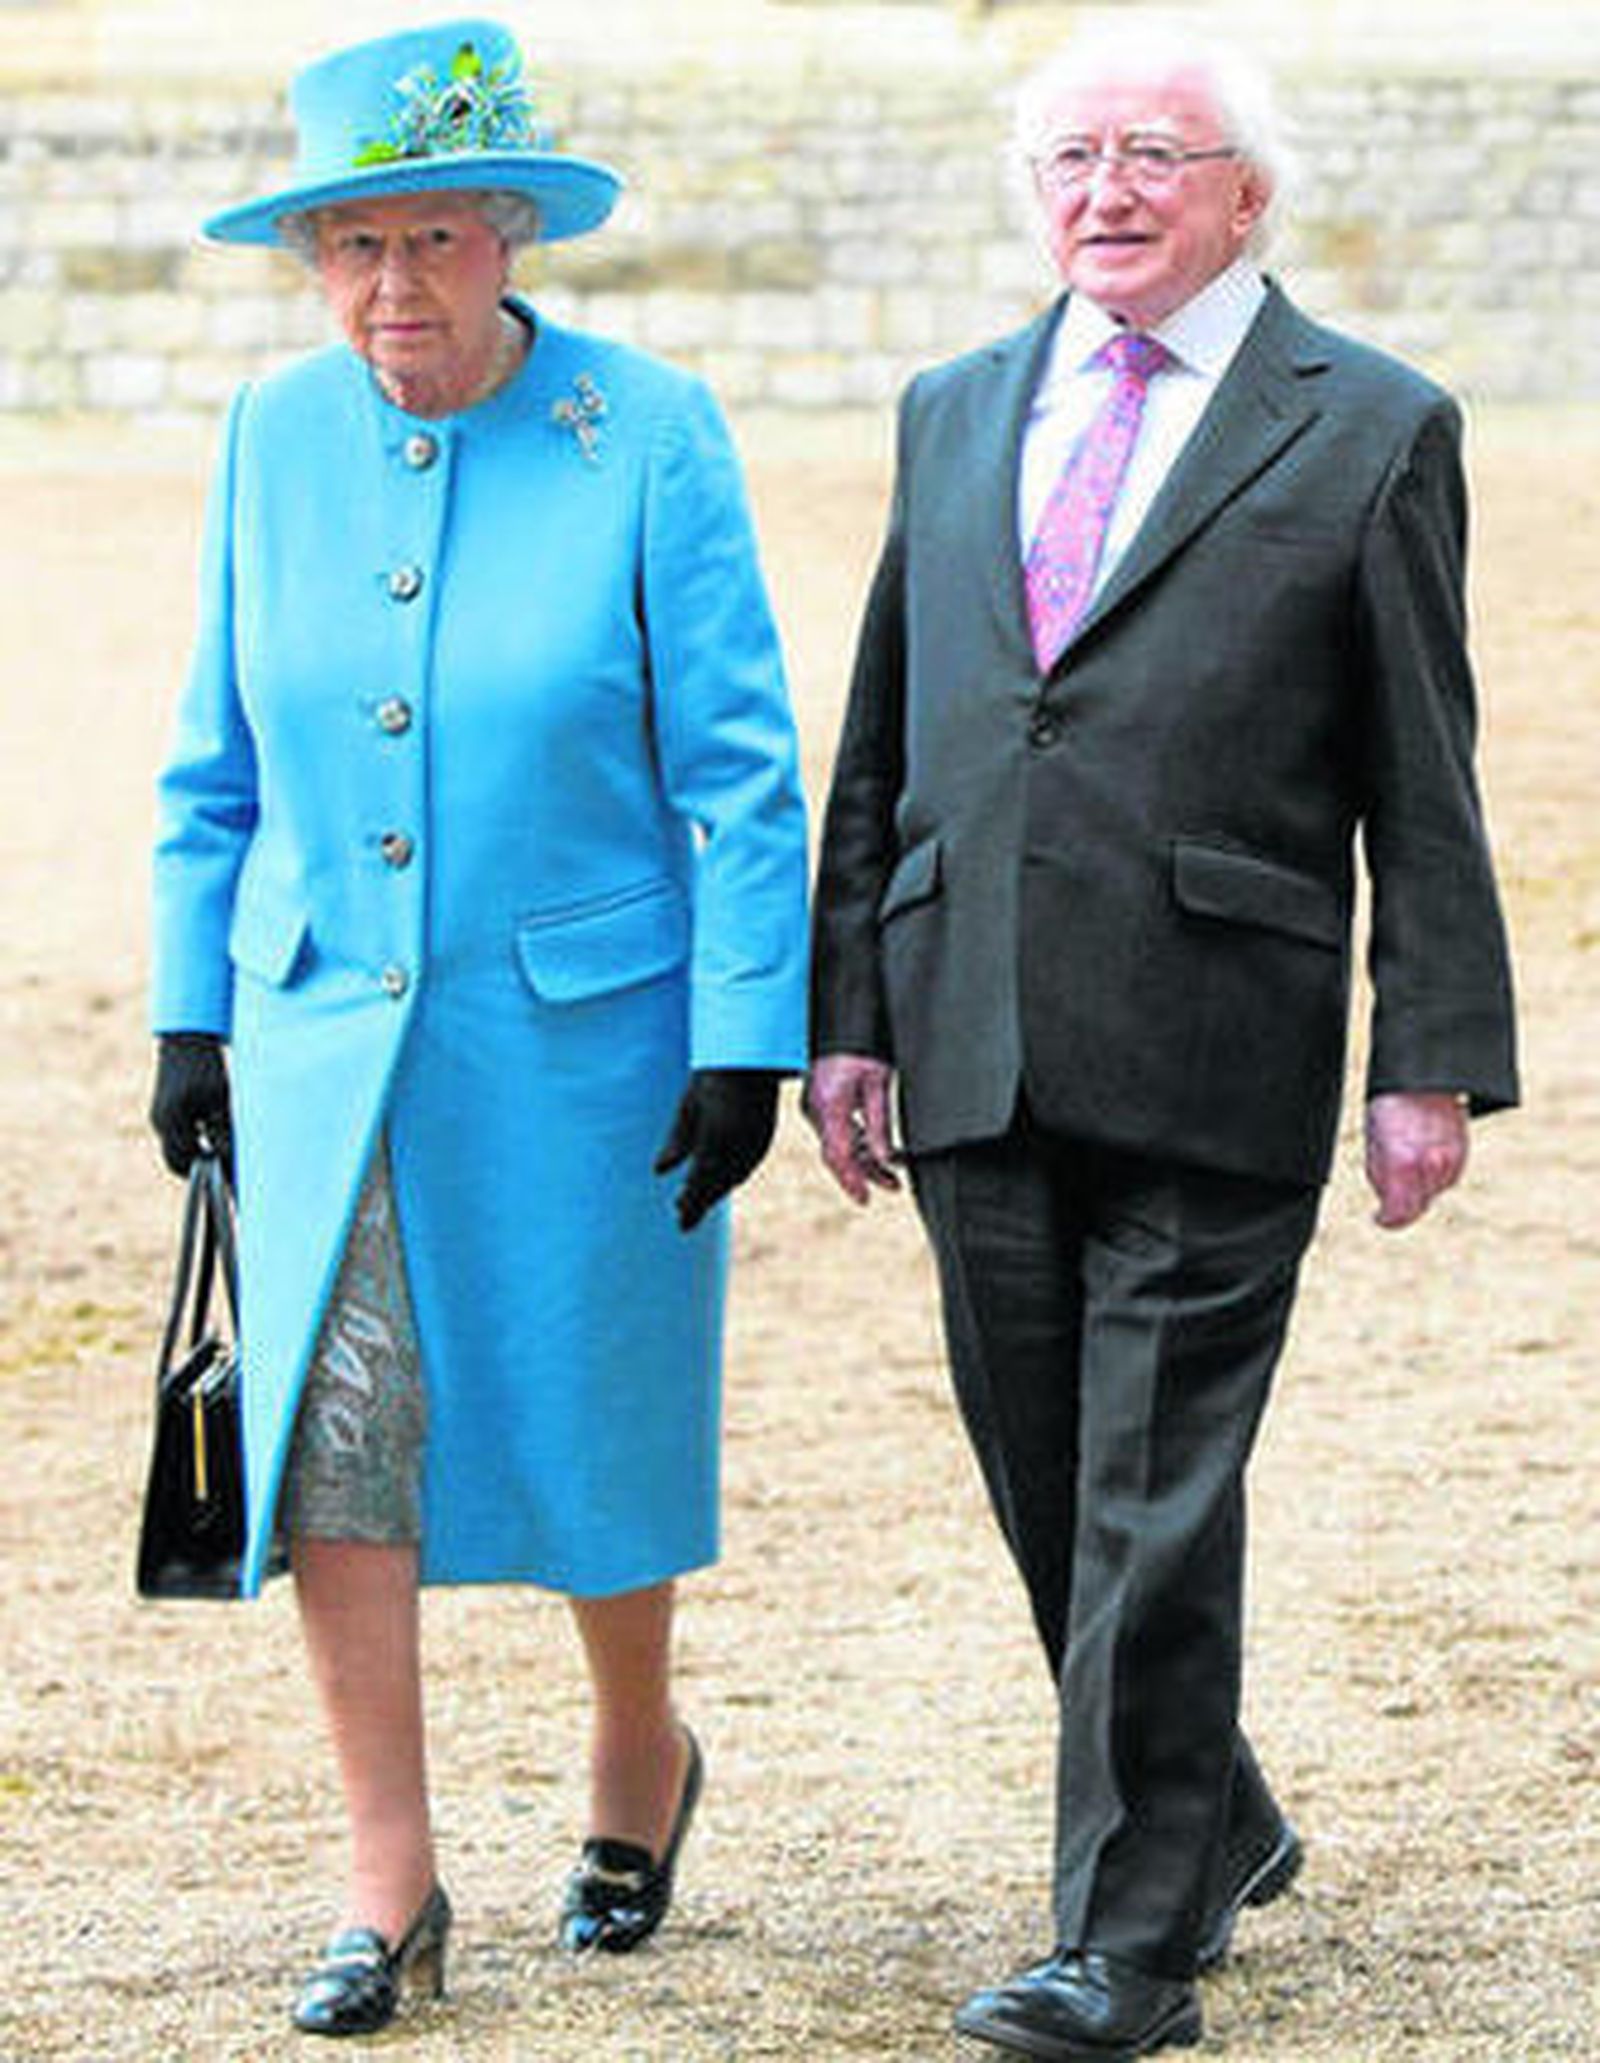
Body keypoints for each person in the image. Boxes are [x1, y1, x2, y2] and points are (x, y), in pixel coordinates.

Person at [806, 25, 1517, 2062]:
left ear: (1244, 196)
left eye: (1152, 154)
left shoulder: (1369, 423)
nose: (1103, 191)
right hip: (965, 1023)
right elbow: (890, 728)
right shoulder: (954, 407)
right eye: (1068, 157)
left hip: (1218, 1032)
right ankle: (1214, 1815)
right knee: (1048, 1477)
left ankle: (1127, 1948)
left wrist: (1427, 1052)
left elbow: (1424, 767)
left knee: (1150, 1490)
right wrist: (845, 1014)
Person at [147, 17, 808, 2038]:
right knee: (335, 1445)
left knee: (591, 1416)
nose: (394, 286)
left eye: (434, 238)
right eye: (354, 245)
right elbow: (212, 767)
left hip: (585, 1041)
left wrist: (747, 1033)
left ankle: (635, 1753)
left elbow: (739, 769)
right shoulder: (270, 436)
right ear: (309, 260)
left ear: (512, 235)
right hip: (318, 1036)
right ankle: (390, 1884)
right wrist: (190, 1015)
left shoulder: (649, 431)